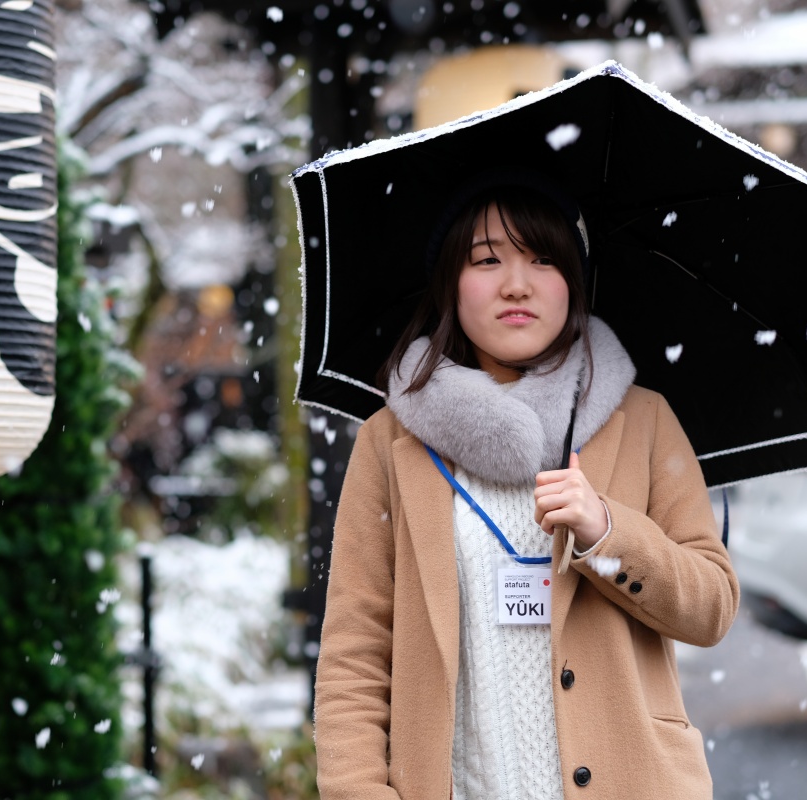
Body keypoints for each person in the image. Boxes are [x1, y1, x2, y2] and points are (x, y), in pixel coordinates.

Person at [312, 174, 739, 800]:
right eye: (486, 260)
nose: (517, 283)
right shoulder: (391, 443)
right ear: (451, 285)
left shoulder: (642, 419)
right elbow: (355, 654)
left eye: (542, 259)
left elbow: (712, 608)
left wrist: (608, 534)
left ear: (574, 280)